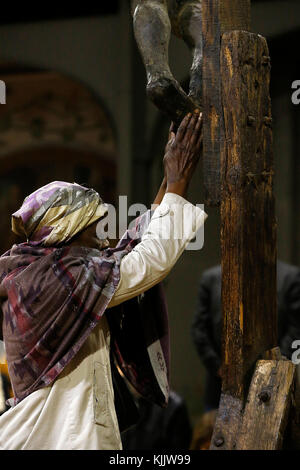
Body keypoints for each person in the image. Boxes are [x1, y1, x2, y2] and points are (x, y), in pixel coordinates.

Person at [0, 110, 207, 450]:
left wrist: (170, 173)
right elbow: (147, 260)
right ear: (67, 233)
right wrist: (179, 182)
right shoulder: (53, 281)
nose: (103, 241)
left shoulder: (48, 268)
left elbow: (128, 250)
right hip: (55, 439)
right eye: (94, 230)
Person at [191, 260, 300, 412]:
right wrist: (218, 367)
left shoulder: (289, 277)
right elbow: (199, 329)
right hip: (221, 386)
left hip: (274, 386)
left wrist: (276, 366)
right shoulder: (211, 278)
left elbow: (296, 327)